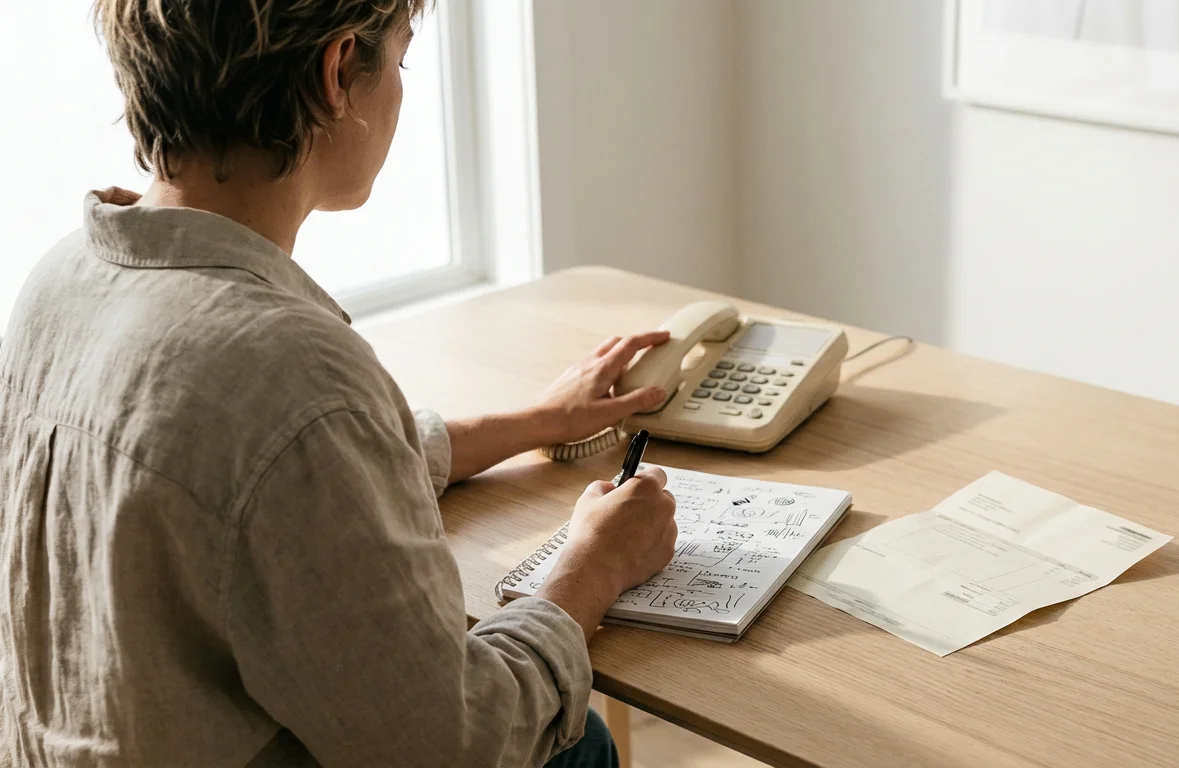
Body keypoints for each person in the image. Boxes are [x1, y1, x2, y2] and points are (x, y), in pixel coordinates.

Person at [0, 1, 678, 766]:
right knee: (574, 739)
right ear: (336, 72)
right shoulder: (292, 374)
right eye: (400, 58)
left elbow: (264, 482)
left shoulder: (60, 282)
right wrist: (594, 566)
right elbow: (454, 745)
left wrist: (533, 421)